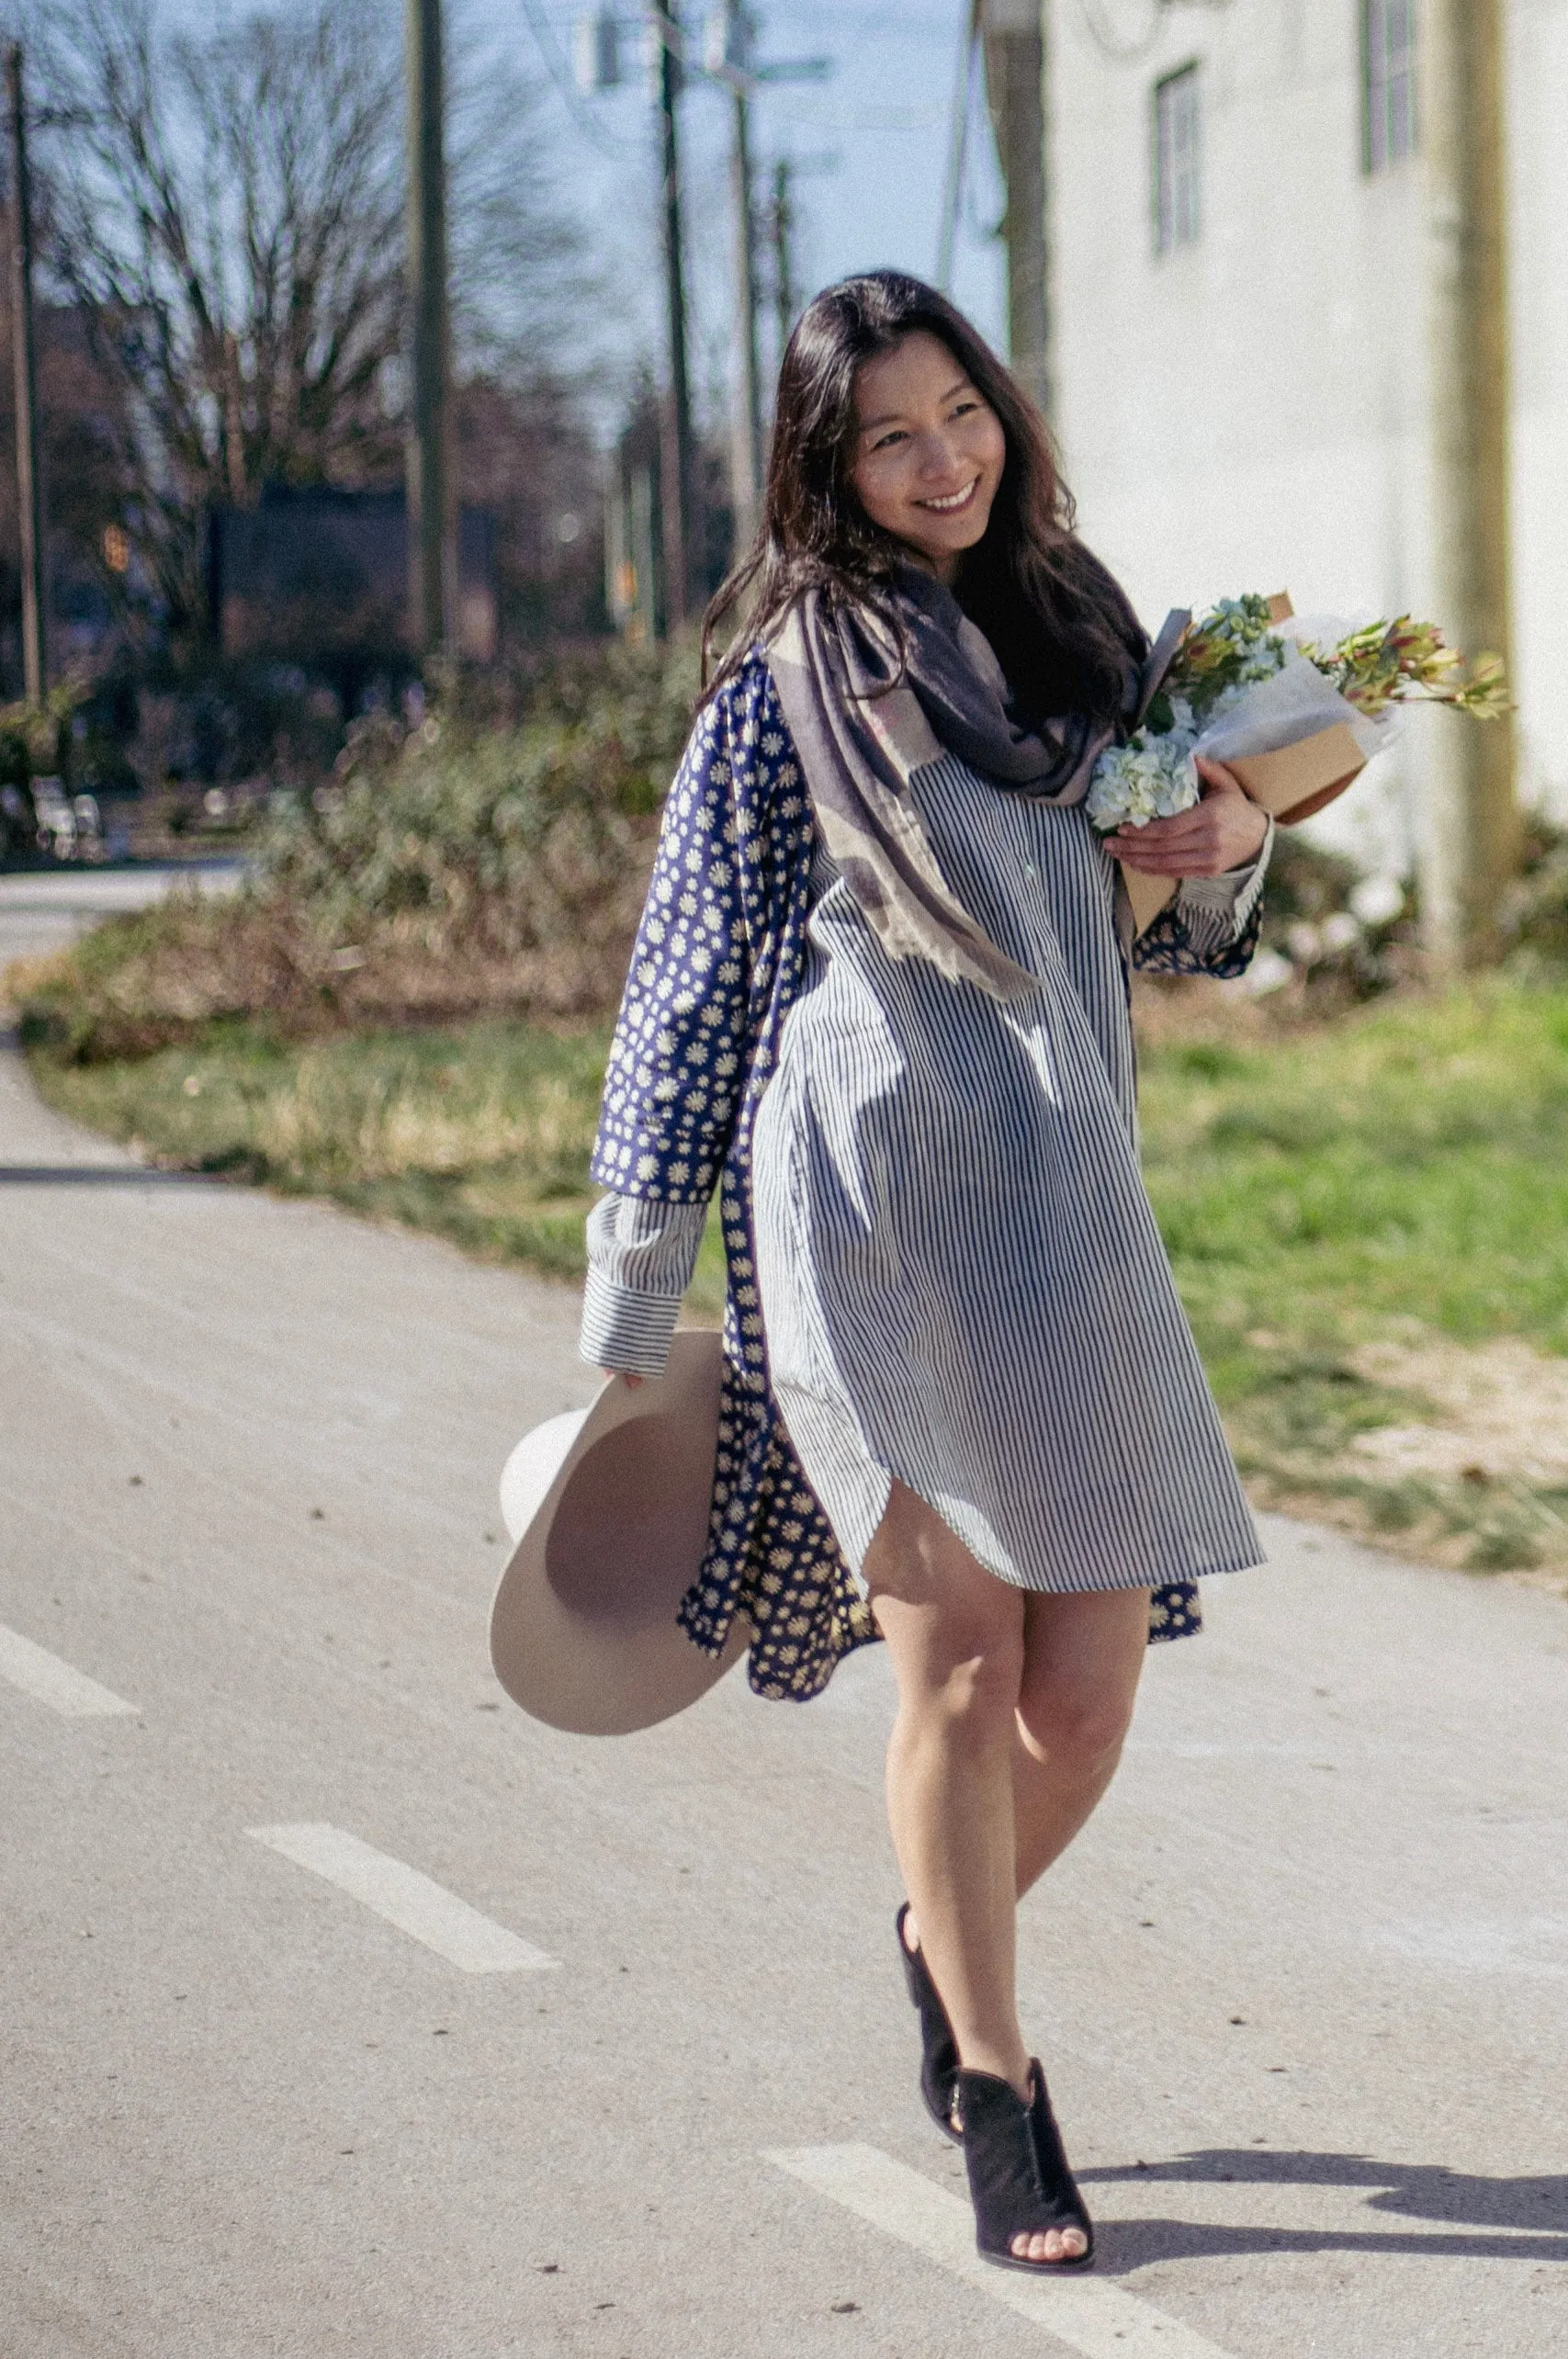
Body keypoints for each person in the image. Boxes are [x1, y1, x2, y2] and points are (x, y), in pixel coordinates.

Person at [577, 271, 1272, 2274]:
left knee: (1091, 1683)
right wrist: (628, 1311)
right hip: (865, 1221)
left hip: (1064, 1207)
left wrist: (1219, 844)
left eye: (958, 409)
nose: (941, 457)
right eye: (891, 433)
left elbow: (1194, 936)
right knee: (959, 1664)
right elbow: (689, 992)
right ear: (827, 466)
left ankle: (930, 1921)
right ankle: (996, 2076)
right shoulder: (781, 695)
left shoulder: (1083, 637)